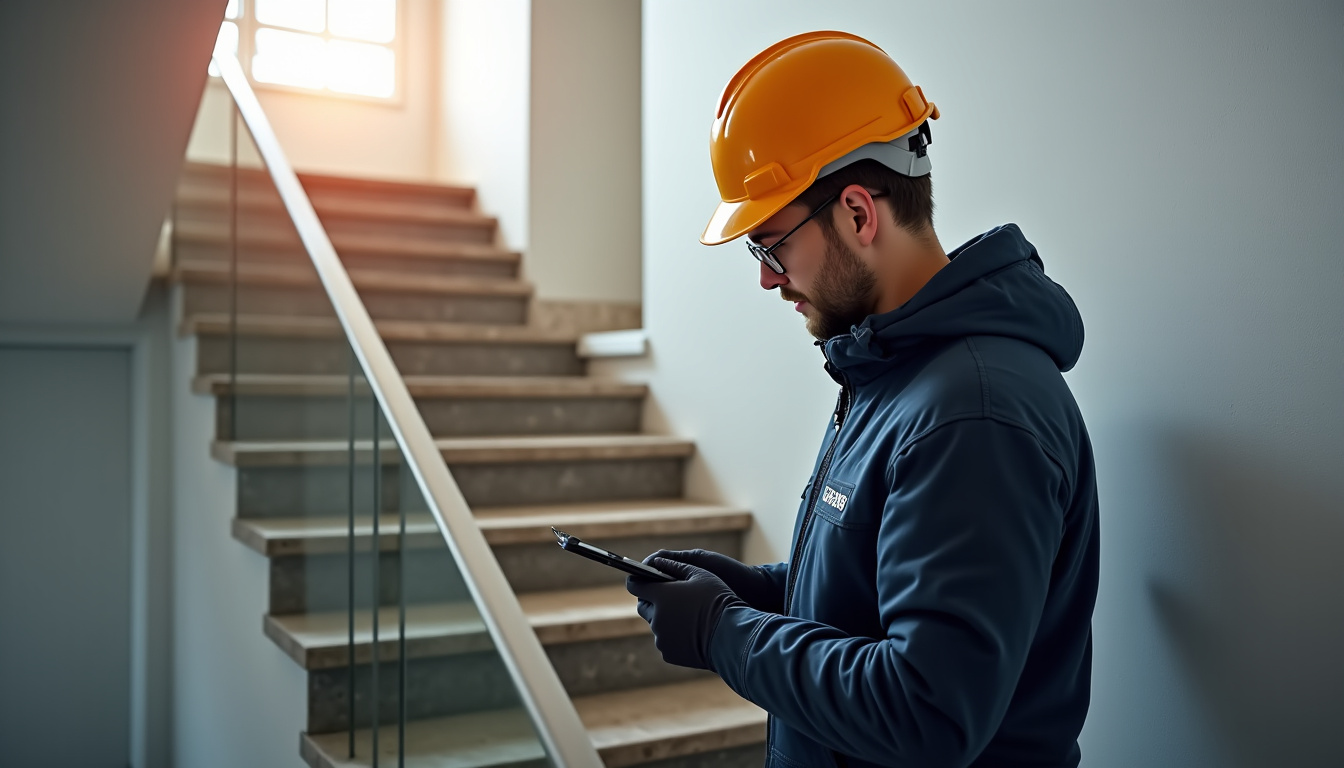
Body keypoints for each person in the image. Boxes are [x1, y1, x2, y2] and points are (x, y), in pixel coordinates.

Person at [625, 31, 1100, 768]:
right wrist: (761, 592)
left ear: (856, 213)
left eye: (771, 244)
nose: (767, 277)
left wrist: (723, 632)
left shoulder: (973, 412)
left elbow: (926, 710)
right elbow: (884, 590)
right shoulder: (891, 373)